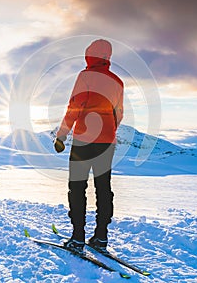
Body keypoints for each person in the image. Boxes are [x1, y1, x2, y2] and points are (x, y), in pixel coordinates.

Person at [54, 39, 124, 253]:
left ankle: (78, 237)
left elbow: (74, 106)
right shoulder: (118, 82)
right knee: (104, 188)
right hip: (106, 142)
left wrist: (62, 136)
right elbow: (118, 114)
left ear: (89, 55)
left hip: (83, 140)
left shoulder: (85, 76)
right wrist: (109, 130)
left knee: (77, 188)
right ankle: (101, 237)